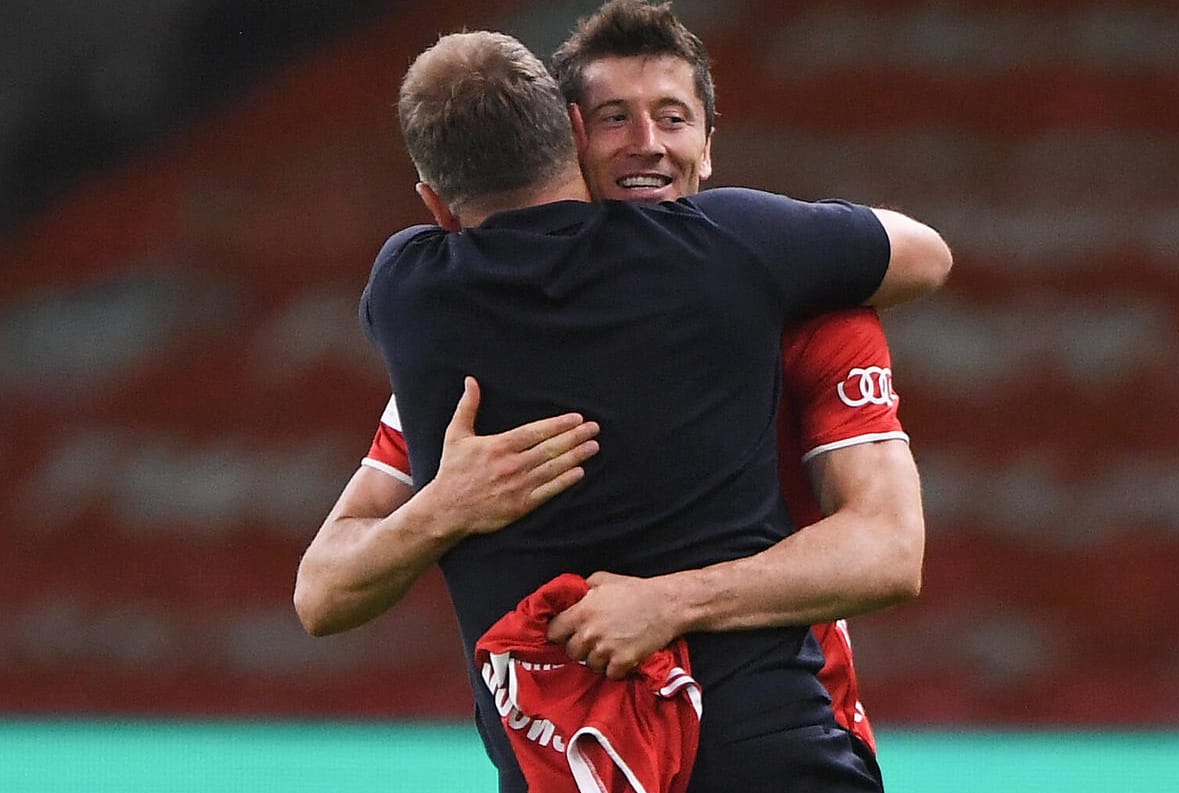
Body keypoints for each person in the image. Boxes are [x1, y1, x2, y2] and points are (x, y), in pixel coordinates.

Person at [303, 26, 948, 792]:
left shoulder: (810, 309)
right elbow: (322, 590)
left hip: (769, 739)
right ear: (572, 136)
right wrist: (443, 506)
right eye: (615, 118)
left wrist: (670, 601)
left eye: (673, 117)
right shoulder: (458, 379)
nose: (646, 144)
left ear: (710, 141)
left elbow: (890, 549)